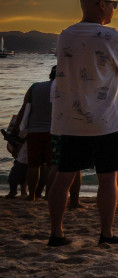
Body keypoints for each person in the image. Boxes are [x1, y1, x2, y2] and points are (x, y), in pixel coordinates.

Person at [48, 0, 118, 247]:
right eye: (113, 4)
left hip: (68, 120)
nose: (113, 8)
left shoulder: (65, 35)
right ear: (101, 5)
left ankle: (56, 233)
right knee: (107, 179)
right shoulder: (110, 36)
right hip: (107, 120)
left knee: (63, 177)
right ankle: (106, 234)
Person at [18, 65, 55, 199]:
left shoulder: (34, 87)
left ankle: (31, 195)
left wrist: (17, 128)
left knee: (33, 165)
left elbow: (23, 108)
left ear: (50, 75)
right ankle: (48, 194)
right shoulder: (63, 88)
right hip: (54, 132)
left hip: (34, 131)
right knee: (51, 166)